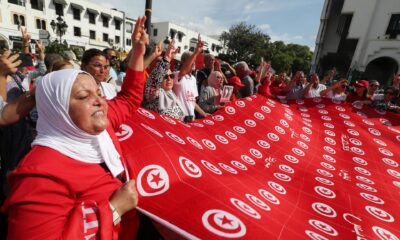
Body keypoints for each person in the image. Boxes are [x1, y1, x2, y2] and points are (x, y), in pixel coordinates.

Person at [2, 16, 149, 239]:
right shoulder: (39, 175)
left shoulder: (101, 130)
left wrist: (138, 53)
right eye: (83, 96)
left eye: (99, 93)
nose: (100, 101)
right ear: (57, 108)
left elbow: (129, 98)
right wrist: (114, 210)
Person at [143, 39, 185, 119]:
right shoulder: (154, 94)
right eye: (165, 77)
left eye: (171, 76)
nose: (169, 79)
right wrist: (167, 59)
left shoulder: (172, 94)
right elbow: (154, 82)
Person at [172, 34, 208, 121]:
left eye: (194, 60)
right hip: (179, 119)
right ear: (182, 61)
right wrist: (196, 52)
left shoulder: (193, 79)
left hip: (191, 120)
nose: (193, 63)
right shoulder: (177, 75)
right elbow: (183, 72)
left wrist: (204, 113)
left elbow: (192, 102)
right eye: (191, 60)